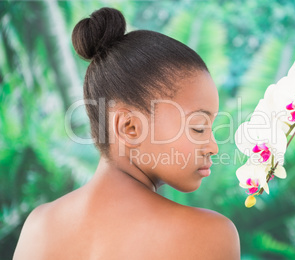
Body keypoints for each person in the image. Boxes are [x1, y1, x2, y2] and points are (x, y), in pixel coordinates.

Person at [13, 7, 240, 260]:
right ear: (129, 127)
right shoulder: (209, 234)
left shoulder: (39, 225)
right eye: (198, 127)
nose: (213, 147)